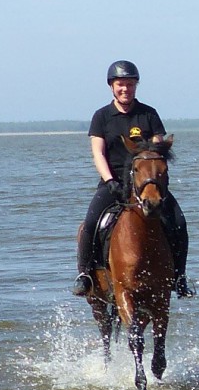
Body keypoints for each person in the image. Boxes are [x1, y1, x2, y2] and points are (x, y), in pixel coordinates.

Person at [72, 60, 192, 297]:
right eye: (120, 84)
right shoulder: (102, 116)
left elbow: (157, 149)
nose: (125, 89)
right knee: (91, 222)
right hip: (114, 182)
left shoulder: (149, 114)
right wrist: (110, 181)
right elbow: (98, 153)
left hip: (146, 184)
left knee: (179, 222)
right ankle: (85, 274)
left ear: (136, 86)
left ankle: (179, 276)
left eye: (130, 84)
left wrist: (154, 177)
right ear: (112, 87)